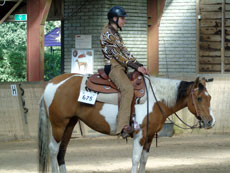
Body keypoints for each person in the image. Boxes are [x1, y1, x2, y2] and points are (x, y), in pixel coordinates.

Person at [100, 6, 148, 138]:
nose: (124, 20)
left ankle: (135, 119)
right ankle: (123, 127)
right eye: (122, 18)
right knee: (127, 89)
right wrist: (135, 67)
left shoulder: (115, 33)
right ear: (114, 19)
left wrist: (139, 65)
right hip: (114, 67)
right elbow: (117, 56)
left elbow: (125, 52)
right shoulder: (108, 34)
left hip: (122, 66)